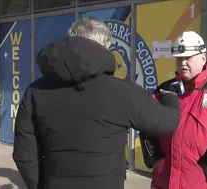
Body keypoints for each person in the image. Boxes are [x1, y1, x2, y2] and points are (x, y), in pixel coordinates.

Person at [12, 17, 180, 189]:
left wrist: (40, 185)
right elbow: (166, 122)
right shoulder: (122, 92)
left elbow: (24, 154)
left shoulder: (36, 91)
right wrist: (170, 98)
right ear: (105, 48)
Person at [140, 31, 207, 189]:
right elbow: (147, 126)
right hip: (165, 181)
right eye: (179, 58)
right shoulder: (164, 90)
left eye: (188, 58)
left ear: (203, 58)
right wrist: (156, 160)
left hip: (206, 183)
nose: (182, 63)